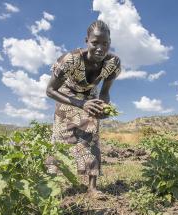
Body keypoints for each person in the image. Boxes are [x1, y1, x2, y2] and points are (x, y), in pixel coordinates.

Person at [46, 20, 121, 198]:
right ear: (86, 40)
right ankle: (50, 184)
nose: (100, 48)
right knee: (60, 137)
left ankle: (92, 187)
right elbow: (50, 91)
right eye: (95, 43)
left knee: (92, 133)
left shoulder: (112, 63)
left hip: (89, 94)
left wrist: (104, 108)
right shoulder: (70, 60)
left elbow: (104, 93)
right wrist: (79, 104)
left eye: (105, 43)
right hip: (66, 93)